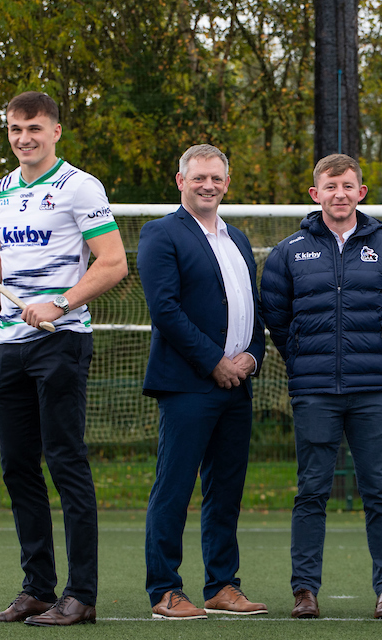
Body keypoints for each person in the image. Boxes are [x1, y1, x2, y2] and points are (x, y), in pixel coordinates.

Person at [0, 91, 128, 626]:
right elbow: (1, 261)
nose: (24, 138)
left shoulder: (80, 186)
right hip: (9, 343)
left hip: (61, 342)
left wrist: (60, 303)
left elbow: (112, 263)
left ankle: (80, 594)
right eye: (16, 129)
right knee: (18, 466)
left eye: (34, 128)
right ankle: (38, 589)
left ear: (56, 131)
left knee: (65, 462)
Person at [261, 154, 382, 621]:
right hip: (313, 390)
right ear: (316, 194)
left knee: (379, 492)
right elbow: (277, 317)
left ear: (361, 192)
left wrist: (377, 351)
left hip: (374, 390)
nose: (340, 194)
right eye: (330, 187)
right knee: (311, 491)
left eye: (348, 186)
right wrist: (305, 359)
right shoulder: (289, 251)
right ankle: (304, 591)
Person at [136, 144, 267, 620]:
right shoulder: (160, 234)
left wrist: (252, 356)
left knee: (226, 490)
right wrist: (215, 361)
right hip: (189, 384)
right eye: (199, 178)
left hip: (237, 385)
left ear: (226, 184)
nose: (208, 185)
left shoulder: (239, 239)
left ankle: (222, 586)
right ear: (181, 182)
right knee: (173, 489)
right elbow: (165, 310)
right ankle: (166, 590)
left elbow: (251, 306)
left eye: (216, 178)